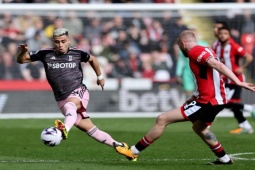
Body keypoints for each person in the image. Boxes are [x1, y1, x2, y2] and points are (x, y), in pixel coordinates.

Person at [113, 30, 255, 165]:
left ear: (183, 43)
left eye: (178, 45)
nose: (179, 49)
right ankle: (224, 159)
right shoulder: (206, 49)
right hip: (215, 100)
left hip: (208, 101)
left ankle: (133, 151)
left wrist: (238, 82)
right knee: (200, 128)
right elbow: (208, 78)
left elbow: (217, 65)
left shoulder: (195, 51)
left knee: (162, 119)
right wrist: (194, 96)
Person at [17, 28, 125, 150]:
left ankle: (64, 130)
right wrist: (22, 52)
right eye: (57, 42)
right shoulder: (45, 53)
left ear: (68, 40)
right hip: (61, 99)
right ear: (53, 42)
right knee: (91, 130)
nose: (60, 45)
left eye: (63, 41)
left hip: (79, 91)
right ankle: (120, 146)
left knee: (71, 105)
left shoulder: (78, 53)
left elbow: (93, 59)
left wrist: (100, 76)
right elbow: (21, 60)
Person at [213, 24, 255, 134]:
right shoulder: (216, 45)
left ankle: (249, 108)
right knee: (231, 105)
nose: (221, 34)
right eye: (219, 31)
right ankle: (246, 126)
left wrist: (242, 67)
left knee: (224, 103)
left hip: (236, 80)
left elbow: (249, 57)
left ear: (228, 34)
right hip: (224, 80)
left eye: (224, 33)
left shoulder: (233, 45)